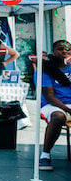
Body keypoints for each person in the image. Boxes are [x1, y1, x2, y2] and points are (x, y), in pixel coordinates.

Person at [38, 39, 71, 171]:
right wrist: (68, 109)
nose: (64, 51)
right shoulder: (46, 69)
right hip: (53, 105)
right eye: (60, 49)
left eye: (67, 49)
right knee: (58, 116)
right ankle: (45, 155)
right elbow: (50, 97)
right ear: (53, 51)